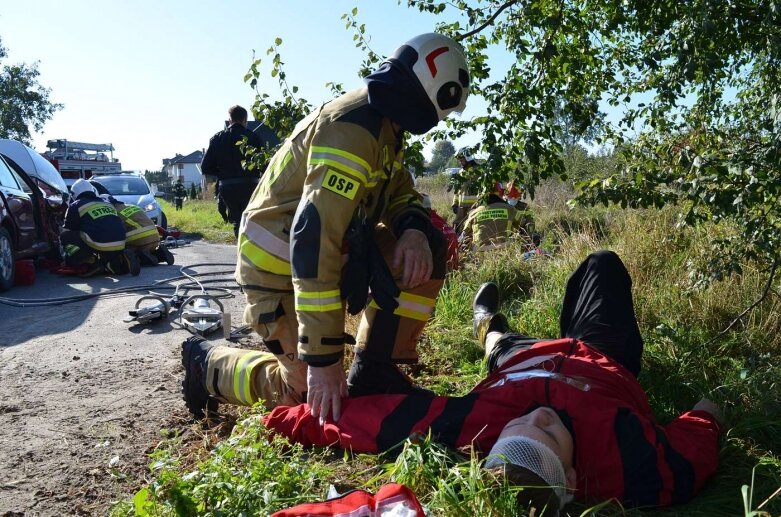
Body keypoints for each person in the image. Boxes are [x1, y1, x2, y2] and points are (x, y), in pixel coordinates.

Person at [260, 251, 723, 514]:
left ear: (490, 445)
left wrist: (289, 417)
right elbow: (694, 446)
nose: (537, 418)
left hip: (520, 364)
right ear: (574, 478)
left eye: (517, 427)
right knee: (602, 266)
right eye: (548, 434)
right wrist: (714, 402)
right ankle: (508, 329)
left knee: (501, 347)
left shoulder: (469, 430)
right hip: (602, 361)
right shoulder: (628, 460)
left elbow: (370, 421)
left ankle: (487, 325)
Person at [181, 33, 470, 425]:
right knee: (304, 395)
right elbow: (313, 238)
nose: (438, 121)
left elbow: (399, 191)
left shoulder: (384, 124)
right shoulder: (353, 128)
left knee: (431, 244)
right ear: (435, 89)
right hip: (278, 267)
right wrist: (322, 359)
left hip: (320, 255)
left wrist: (416, 231)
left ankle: (374, 367)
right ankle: (209, 366)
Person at [200, 105, 267, 237]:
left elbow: (205, 167)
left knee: (237, 221)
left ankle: (240, 248)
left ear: (229, 120)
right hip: (250, 185)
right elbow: (264, 165)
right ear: (245, 120)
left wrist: (222, 173)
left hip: (227, 187)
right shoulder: (254, 137)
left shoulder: (217, 139)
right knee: (250, 221)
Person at [59, 179, 138, 277]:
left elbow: (69, 228)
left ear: (74, 194)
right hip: (120, 242)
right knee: (112, 263)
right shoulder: (106, 203)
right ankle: (118, 259)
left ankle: (90, 261)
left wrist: (67, 260)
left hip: (99, 243)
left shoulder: (76, 205)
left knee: (65, 235)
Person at [98, 192, 175, 266]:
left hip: (140, 239)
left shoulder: (112, 212)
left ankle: (140, 256)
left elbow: (115, 232)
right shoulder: (131, 206)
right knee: (146, 247)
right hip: (155, 236)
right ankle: (160, 254)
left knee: (119, 247)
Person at [459, 182, 534, 252]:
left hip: (479, 251)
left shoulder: (474, 212)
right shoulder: (509, 209)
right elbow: (524, 226)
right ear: (501, 194)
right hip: (504, 250)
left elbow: (463, 236)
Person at [450, 147, 481, 233]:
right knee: (458, 226)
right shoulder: (461, 172)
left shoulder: (479, 171)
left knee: (473, 228)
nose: (460, 162)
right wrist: (455, 204)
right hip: (461, 207)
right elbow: (457, 190)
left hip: (475, 206)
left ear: (468, 158)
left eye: (462, 159)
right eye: (459, 160)